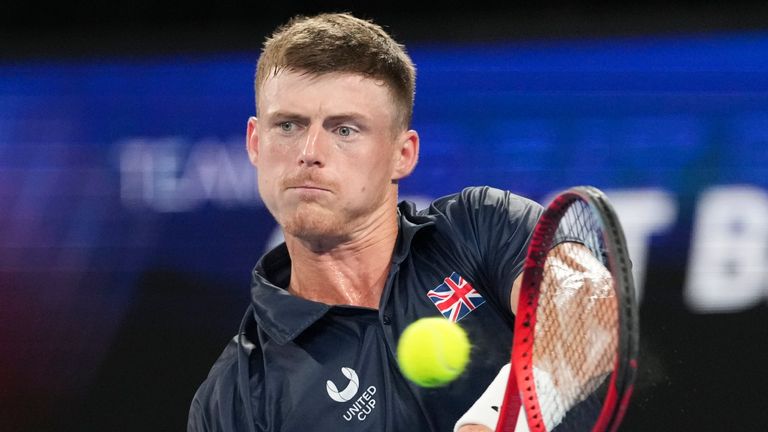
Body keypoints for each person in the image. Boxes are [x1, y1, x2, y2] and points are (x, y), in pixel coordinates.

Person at [188, 13, 544, 432]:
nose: (309, 151)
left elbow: (581, 322)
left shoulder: (482, 225)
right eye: (287, 125)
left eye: (344, 130)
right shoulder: (234, 399)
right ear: (255, 143)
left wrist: (487, 424)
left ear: (402, 154)